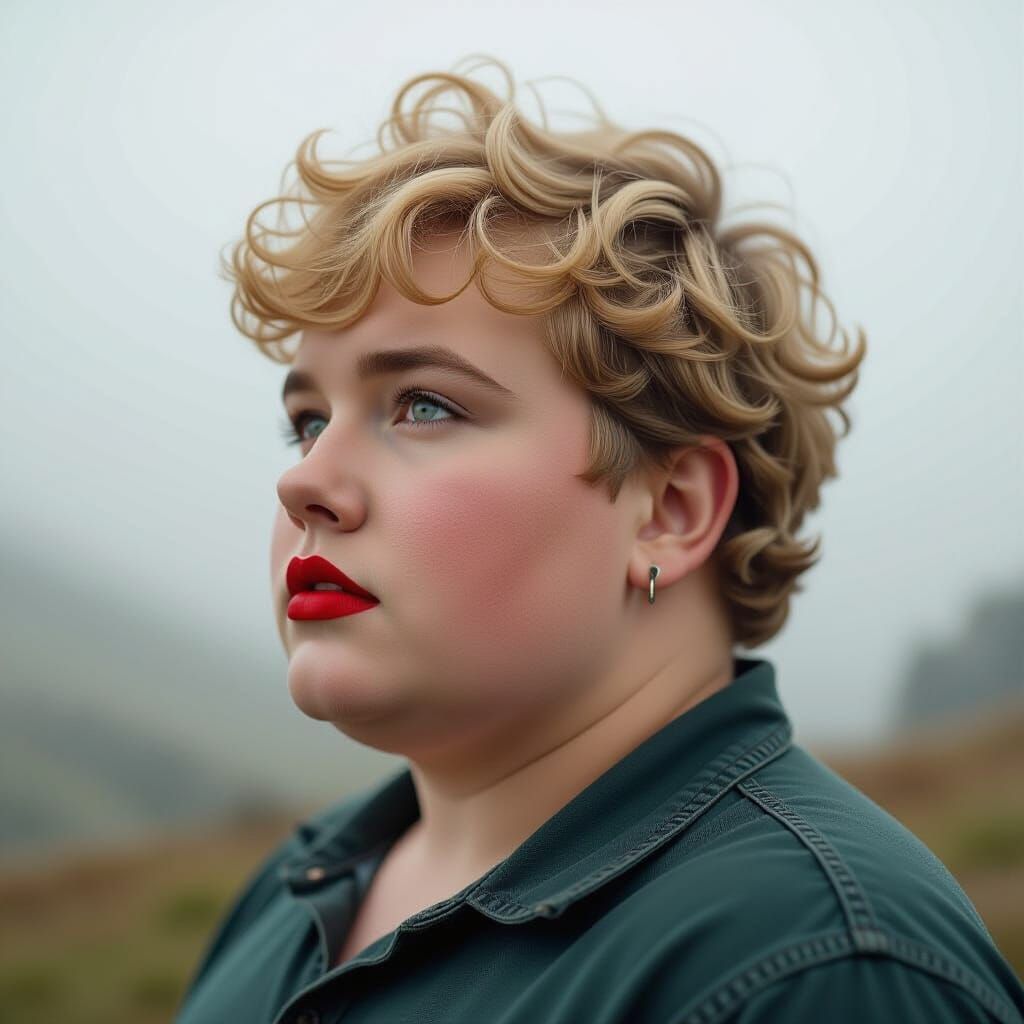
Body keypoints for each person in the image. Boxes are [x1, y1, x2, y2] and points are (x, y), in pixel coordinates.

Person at [174, 55, 1024, 1024]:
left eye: (422, 404)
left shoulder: (823, 971)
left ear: (670, 509)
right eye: (308, 419)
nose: (306, 480)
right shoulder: (291, 889)